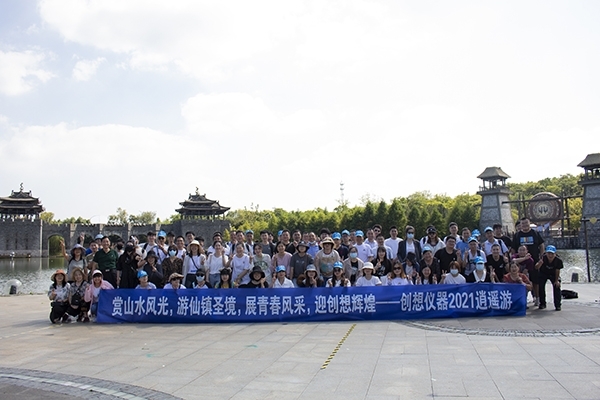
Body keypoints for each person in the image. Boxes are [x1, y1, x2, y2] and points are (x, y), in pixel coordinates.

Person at [535, 245, 563, 311]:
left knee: (557, 286)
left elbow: (557, 270)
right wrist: (539, 263)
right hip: (543, 273)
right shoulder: (542, 258)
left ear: (555, 254)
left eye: (552, 254)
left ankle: (557, 305)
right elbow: (536, 267)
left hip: (553, 274)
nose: (550, 256)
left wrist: (556, 280)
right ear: (546, 253)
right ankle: (542, 303)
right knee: (541, 286)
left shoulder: (558, 260)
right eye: (549, 253)